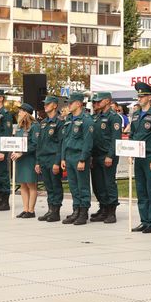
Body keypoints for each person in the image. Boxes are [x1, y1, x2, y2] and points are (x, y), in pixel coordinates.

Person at [130, 82, 151, 233]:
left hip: (149, 156)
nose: (140, 98)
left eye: (142, 96)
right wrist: (130, 151)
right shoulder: (136, 115)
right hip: (138, 156)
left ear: (150, 97)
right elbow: (132, 134)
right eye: (139, 96)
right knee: (141, 190)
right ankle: (144, 220)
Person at [61, 92, 94, 226]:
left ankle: (83, 212)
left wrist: (83, 159)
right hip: (69, 156)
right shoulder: (69, 119)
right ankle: (76, 210)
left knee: (82, 186)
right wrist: (63, 158)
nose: (69, 105)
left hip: (79, 156)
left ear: (79, 103)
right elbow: (65, 140)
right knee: (73, 186)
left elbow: (88, 142)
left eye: (71, 102)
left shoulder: (86, 120)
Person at [89, 92, 122, 224]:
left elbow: (116, 139)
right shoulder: (96, 117)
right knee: (98, 184)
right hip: (96, 155)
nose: (96, 103)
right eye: (95, 102)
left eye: (99, 101)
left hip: (107, 155)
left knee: (109, 183)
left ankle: (111, 211)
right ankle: (103, 208)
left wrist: (110, 155)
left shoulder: (114, 117)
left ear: (108, 101)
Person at [35, 96, 64, 222]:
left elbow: (61, 144)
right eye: (45, 104)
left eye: (48, 104)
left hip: (53, 157)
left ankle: (56, 211)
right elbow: (39, 144)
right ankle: (50, 209)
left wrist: (57, 162)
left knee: (55, 185)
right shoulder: (43, 123)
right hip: (44, 158)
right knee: (48, 186)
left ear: (55, 105)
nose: (45, 106)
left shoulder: (60, 122)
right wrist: (38, 161)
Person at [12, 103, 39, 218]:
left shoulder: (34, 126)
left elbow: (35, 144)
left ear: (26, 113)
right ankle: (25, 209)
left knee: (31, 184)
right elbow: (16, 142)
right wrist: (13, 150)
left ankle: (31, 211)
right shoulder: (19, 126)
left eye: (21, 111)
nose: (19, 113)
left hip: (29, 159)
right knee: (23, 184)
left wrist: (21, 153)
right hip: (20, 159)